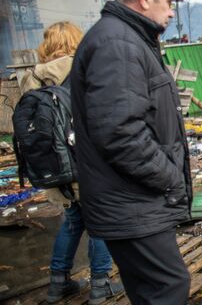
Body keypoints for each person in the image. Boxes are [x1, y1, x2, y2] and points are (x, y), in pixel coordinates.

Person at [69, 0, 192, 305]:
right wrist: (170, 177)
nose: (171, 13)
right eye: (168, 3)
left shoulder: (125, 39)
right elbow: (120, 133)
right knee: (170, 287)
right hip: (133, 202)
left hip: (131, 201)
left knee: (151, 291)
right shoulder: (119, 45)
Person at [19, 22, 123, 304]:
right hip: (87, 164)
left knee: (73, 221)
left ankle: (58, 284)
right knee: (101, 222)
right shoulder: (86, 69)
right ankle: (100, 285)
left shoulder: (32, 78)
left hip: (52, 167)